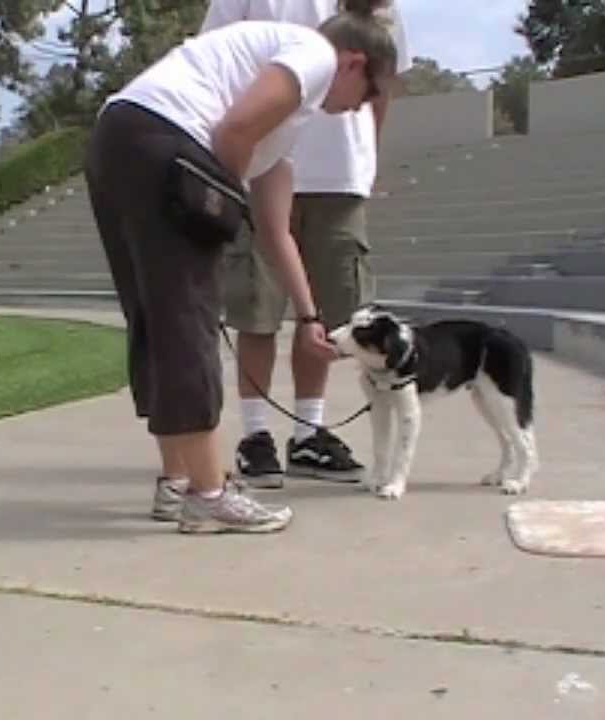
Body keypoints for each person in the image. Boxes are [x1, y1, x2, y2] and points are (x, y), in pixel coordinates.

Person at [84, 0, 401, 533]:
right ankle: (209, 494)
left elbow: (275, 231)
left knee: (160, 320)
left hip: (119, 138)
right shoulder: (314, 53)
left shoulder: (283, 121)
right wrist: (217, 216)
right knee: (188, 321)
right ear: (353, 62)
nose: (362, 108)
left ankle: (179, 481)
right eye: (370, 92)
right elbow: (233, 133)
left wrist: (307, 316)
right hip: (164, 140)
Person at [201, 0, 411, 488]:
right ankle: (256, 436)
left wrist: (368, 157)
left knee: (328, 315)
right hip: (263, 162)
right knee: (258, 306)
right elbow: (221, 60)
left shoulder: (380, 7)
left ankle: (309, 432)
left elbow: (383, 83)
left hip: (340, 174)